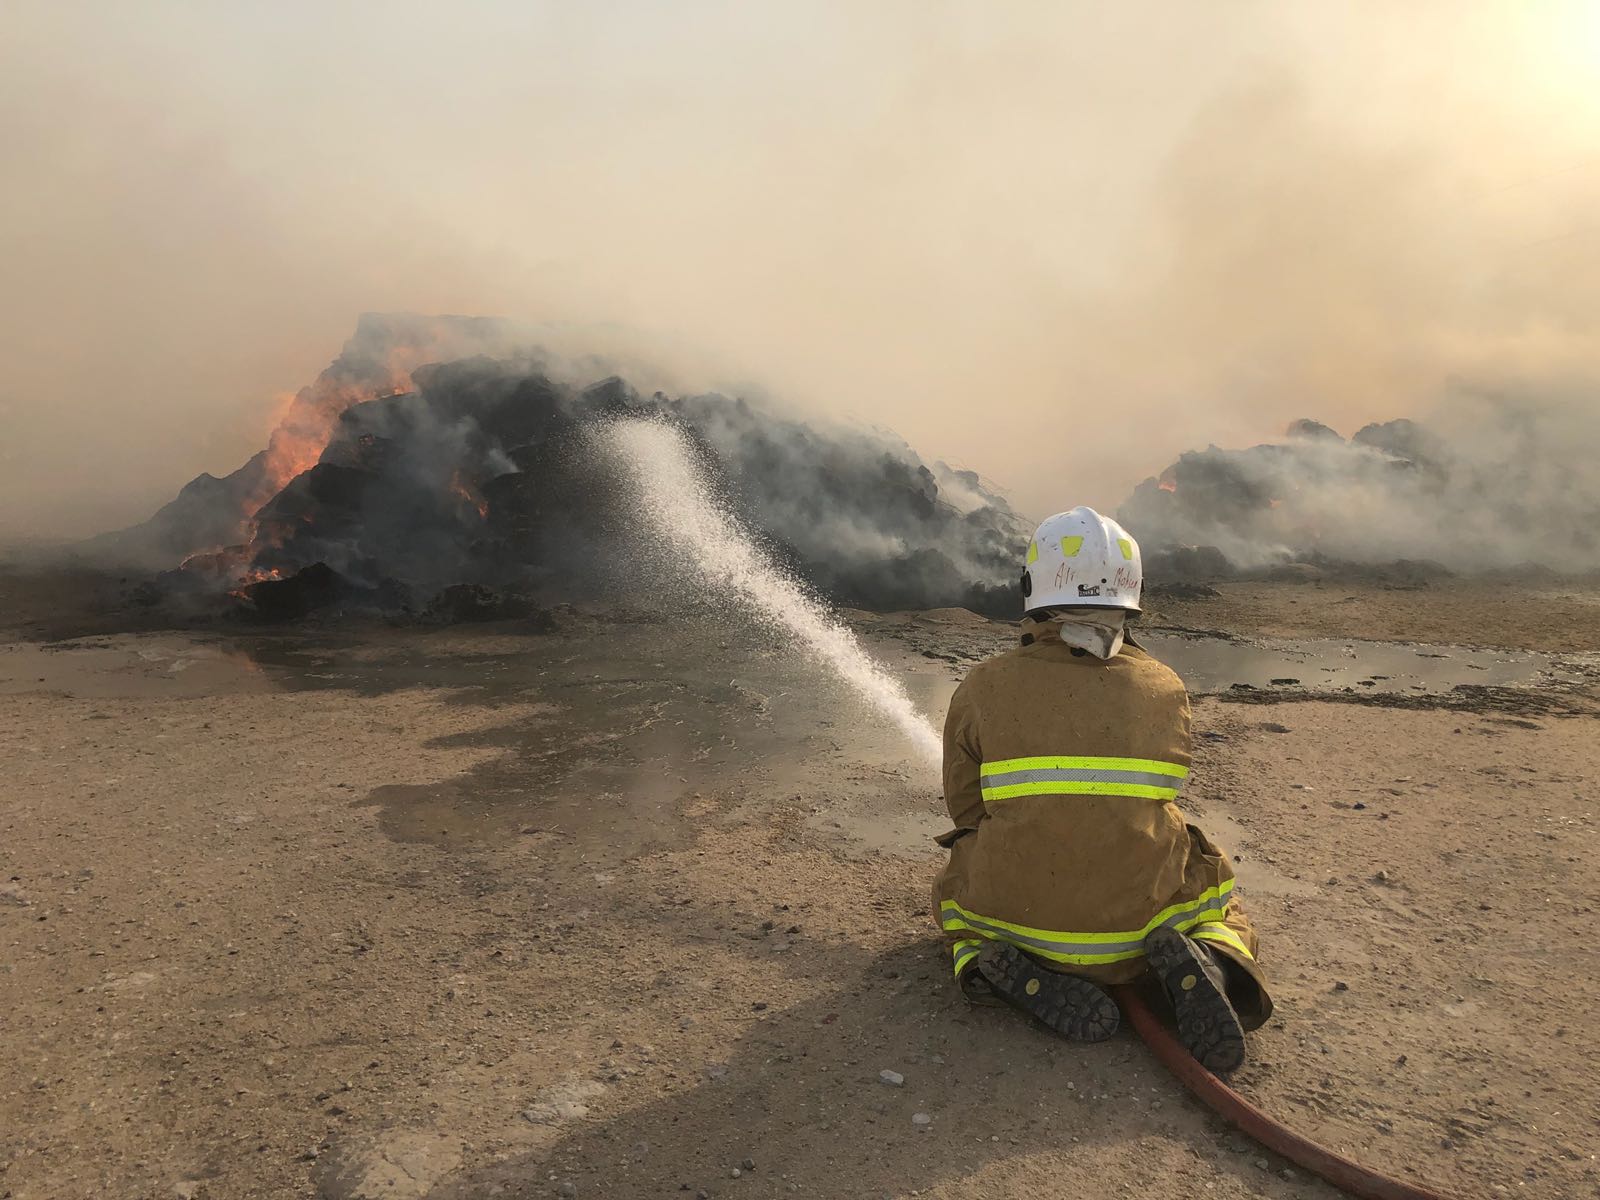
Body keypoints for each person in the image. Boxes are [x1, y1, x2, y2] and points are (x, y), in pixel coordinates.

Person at [933, 507, 1272, 1072]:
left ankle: (988, 967)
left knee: (956, 886)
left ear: (1031, 589)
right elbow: (1162, 790)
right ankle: (1214, 962)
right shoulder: (1165, 685)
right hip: (1138, 933)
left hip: (1015, 914)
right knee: (1215, 884)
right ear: (1132, 593)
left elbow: (966, 808)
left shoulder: (982, 685)